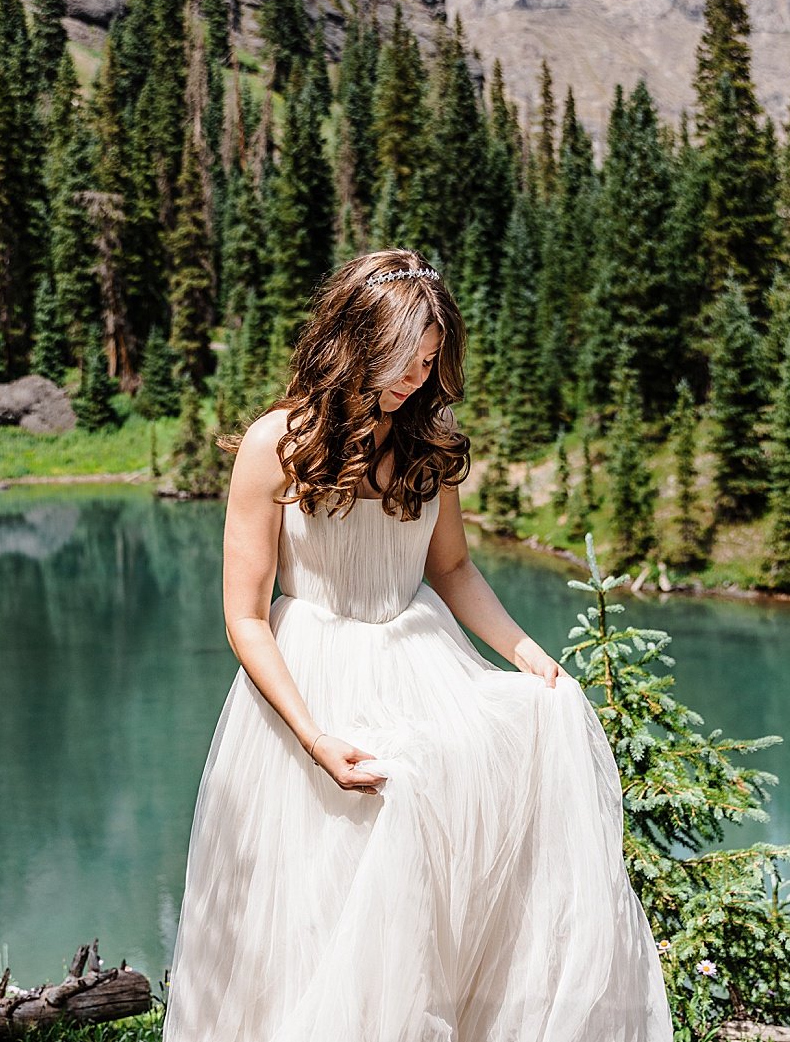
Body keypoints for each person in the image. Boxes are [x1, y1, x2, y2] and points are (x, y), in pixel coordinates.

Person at [163, 249, 673, 1041]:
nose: (415, 379)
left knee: (461, 818)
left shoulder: (428, 441)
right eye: (404, 360)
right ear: (354, 342)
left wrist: (527, 653)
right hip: (311, 680)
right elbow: (246, 618)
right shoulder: (276, 444)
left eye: (430, 362)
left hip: (419, 657)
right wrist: (314, 736)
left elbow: (456, 568)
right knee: (318, 904)